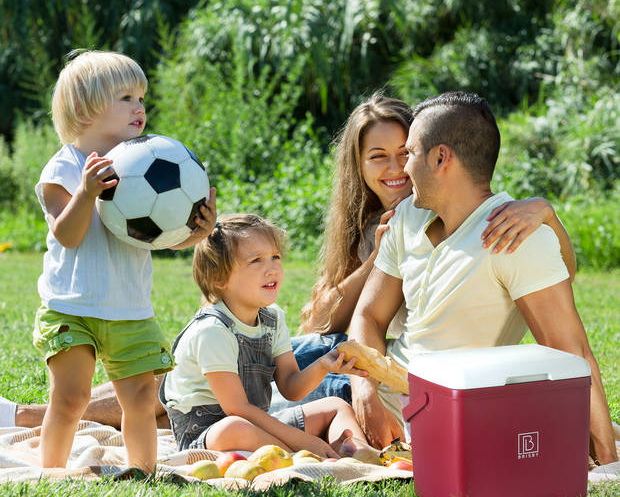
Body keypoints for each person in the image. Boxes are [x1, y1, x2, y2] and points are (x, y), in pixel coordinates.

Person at [0, 93, 575, 430]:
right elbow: (320, 316)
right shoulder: (374, 225)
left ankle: (33, 415)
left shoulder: (462, 213)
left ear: (432, 154)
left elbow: (552, 275)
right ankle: (33, 415)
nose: (396, 167)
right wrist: (372, 259)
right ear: (360, 166)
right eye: (378, 156)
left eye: (406, 153)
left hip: (373, 367)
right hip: (331, 352)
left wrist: (546, 211)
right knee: (198, 380)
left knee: (200, 389)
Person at [347, 91, 617, 466]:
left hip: (439, 407)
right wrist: (365, 393)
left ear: (441, 157)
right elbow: (368, 317)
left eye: (410, 153)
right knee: (274, 378)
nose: (403, 169)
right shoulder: (407, 214)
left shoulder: (516, 236)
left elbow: (574, 355)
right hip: (357, 380)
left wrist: (607, 460)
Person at [31, 50, 216, 471]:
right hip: (71, 307)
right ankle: (52, 473)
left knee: (140, 398)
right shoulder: (63, 167)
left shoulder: (145, 160)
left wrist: (196, 232)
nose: (140, 107)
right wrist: (86, 192)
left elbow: (159, 237)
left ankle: (144, 472)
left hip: (129, 310)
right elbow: (68, 234)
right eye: (126, 98)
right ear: (84, 108)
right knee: (71, 397)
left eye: (141, 98)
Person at [160, 214, 368, 457]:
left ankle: (359, 458)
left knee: (336, 406)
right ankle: (311, 455)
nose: (271, 268)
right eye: (256, 260)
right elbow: (237, 409)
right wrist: (305, 443)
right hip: (207, 434)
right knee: (235, 428)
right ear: (219, 278)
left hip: (258, 424)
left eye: (275, 257)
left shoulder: (272, 319)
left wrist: (323, 365)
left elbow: (290, 387)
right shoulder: (212, 331)